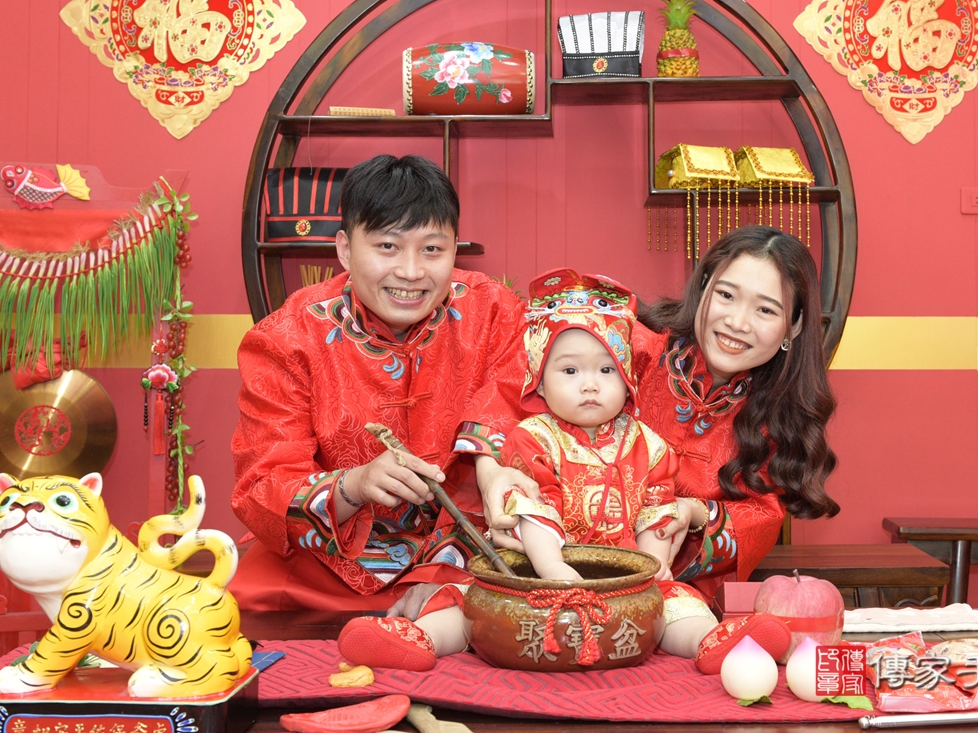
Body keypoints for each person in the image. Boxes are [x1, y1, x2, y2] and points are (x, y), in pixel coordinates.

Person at [335, 269, 790, 672]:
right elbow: (531, 502)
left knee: (678, 608)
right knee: (472, 602)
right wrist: (547, 560)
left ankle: (717, 643)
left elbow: (660, 507)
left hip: (625, 576)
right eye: (570, 372)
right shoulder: (539, 432)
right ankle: (419, 640)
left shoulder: (648, 443)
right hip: (534, 570)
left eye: (607, 371)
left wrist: (655, 562)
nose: (590, 384)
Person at [229, 154, 537, 612]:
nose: (411, 272)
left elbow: (512, 412)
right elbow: (264, 483)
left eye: (432, 249)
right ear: (345, 249)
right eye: (387, 246)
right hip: (328, 561)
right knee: (244, 608)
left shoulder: (495, 313)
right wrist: (354, 485)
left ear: (455, 249)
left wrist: (488, 475)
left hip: (465, 549)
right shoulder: (286, 338)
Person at [488, 226, 840, 603]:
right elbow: (508, 387)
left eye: (765, 310)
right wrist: (492, 474)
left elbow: (762, 516)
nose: (738, 323)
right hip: (550, 565)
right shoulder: (630, 346)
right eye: (726, 295)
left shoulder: (777, 417)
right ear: (702, 287)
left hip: (662, 588)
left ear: (794, 326)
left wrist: (694, 512)